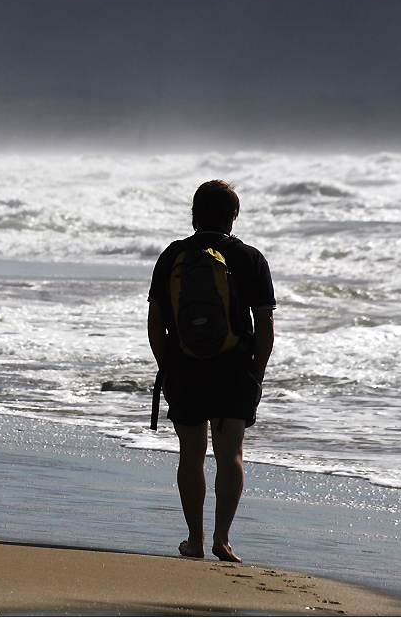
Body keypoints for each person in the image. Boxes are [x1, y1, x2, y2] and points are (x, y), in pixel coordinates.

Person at [147, 179, 275, 563]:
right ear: (233, 217)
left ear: (193, 215)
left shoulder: (172, 256)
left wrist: (166, 368)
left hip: (185, 368)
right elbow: (265, 325)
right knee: (230, 454)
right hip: (234, 368)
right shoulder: (250, 258)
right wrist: (256, 374)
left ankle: (195, 540)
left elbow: (155, 322)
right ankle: (222, 539)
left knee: (191, 454)